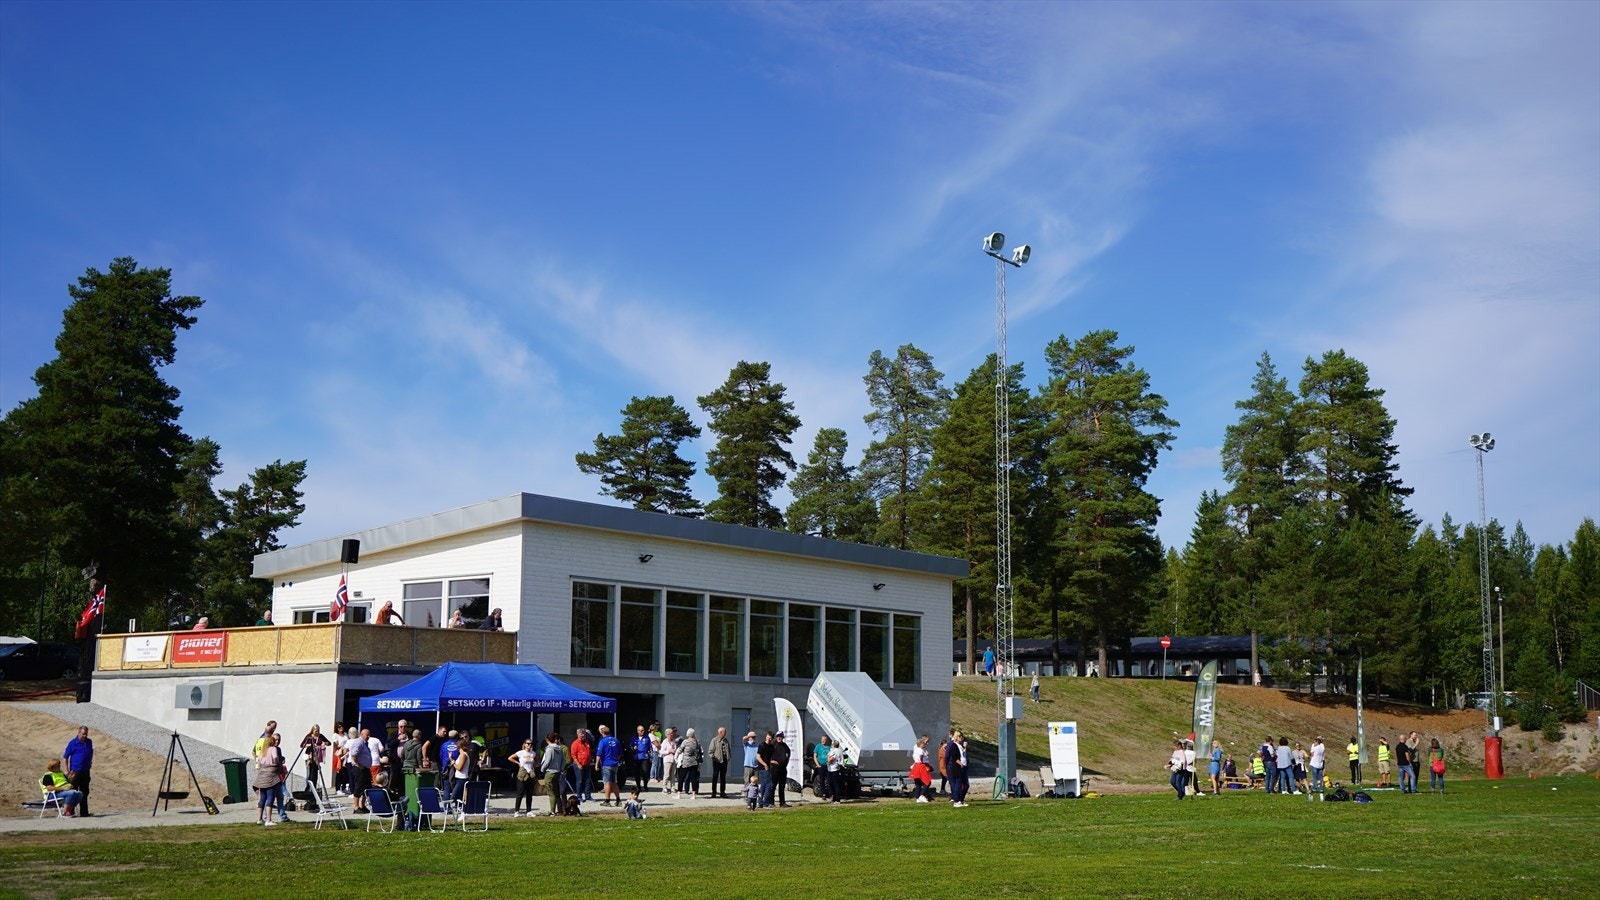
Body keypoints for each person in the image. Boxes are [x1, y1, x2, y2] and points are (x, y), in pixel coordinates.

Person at [256, 733, 290, 825]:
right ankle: (268, 819)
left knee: (265, 798)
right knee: (270, 797)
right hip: (272, 776)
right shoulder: (273, 749)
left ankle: (260, 819)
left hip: (263, 776)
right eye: (275, 740)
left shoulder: (263, 751)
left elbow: (258, 764)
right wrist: (278, 764)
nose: (277, 741)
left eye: (279, 740)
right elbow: (275, 759)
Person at [61, 726, 94, 817]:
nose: (85, 736)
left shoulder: (89, 742)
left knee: (85, 792)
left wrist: (90, 761)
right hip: (75, 771)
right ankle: (70, 811)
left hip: (85, 771)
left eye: (86, 734)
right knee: (74, 792)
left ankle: (84, 812)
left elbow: (91, 751)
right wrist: (66, 770)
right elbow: (65, 757)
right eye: (83, 734)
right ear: (79, 733)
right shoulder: (73, 743)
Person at [509, 738, 540, 817]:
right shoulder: (521, 753)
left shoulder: (533, 753)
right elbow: (510, 758)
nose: (529, 745)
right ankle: (516, 811)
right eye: (528, 743)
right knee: (520, 793)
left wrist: (534, 765)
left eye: (531, 744)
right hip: (522, 774)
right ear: (524, 744)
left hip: (530, 774)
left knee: (529, 794)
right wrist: (518, 763)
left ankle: (529, 811)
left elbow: (537, 760)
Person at [596, 724, 622, 806]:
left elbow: (599, 754)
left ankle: (607, 800)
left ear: (602, 733)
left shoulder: (602, 741)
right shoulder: (616, 740)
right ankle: (618, 800)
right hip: (614, 764)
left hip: (606, 764)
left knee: (607, 782)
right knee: (614, 782)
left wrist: (596, 764)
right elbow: (620, 754)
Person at [540, 732, 565, 816]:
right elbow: (564, 761)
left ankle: (552, 811)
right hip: (557, 772)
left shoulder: (549, 749)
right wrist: (560, 769)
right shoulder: (560, 748)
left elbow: (547, 761)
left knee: (551, 793)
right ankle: (558, 809)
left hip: (550, 772)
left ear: (547, 740)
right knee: (556, 791)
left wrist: (542, 769)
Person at [300, 724, 330, 793]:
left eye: (318, 731)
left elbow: (329, 743)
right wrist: (310, 745)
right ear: (312, 731)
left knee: (315, 772)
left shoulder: (320, 736)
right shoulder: (309, 736)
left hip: (317, 757)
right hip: (309, 756)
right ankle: (308, 788)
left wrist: (324, 743)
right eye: (316, 731)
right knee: (309, 773)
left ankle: (314, 788)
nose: (317, 732)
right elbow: (302, 745)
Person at [945, 729, 969, 807]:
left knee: (966, 785)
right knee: (957, 784)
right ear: (957, 737)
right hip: (958, 767)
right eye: (960, 737)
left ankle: (961, 799)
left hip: (964, 766)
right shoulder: (954, 745)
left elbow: (963, 755)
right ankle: (956, 800)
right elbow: (954, 757)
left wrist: (965, 748)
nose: (962, 738)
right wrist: (960, 763)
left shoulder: (961, 746)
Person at [707, 726, 732, 799]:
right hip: (717, 761)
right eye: (724, 732)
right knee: (715, 777)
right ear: (720, 732)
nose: (726, 733)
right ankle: (714, 792)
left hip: (724, 761)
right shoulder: (714, 740)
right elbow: (710, 751)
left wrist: (728, 757)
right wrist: (713, 758)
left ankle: (722, 792)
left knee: (723, 777)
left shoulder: (726, 741)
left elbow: (728, 750)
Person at [570, 728, 594, 803]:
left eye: (584, 734)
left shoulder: (587, 742)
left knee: (587, 780)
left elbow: (589, 752)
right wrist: (578, 764)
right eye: (581, 734)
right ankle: (579, 796)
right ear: (578, 735)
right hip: (579, 765)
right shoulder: (575, 743)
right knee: (579, 781)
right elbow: (573, 755)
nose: (583, 735)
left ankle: (588, 796)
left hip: (587, 764)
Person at [678, 728, 703, 797]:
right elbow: (700, 750)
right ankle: (694, 794)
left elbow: (680, 750)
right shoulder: (697, 742)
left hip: (686, 762)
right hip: (694, 761)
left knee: (681, 777)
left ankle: (679, 794)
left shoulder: (685, 742)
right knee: (693, 778)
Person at [770, 732, 793, 807]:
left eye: (781, 737)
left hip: (783, 769)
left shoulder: (785, 746)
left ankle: (782, 802)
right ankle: (771, 802)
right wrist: (771, 761)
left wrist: (786, 762)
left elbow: (788, 754)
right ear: (776, 737)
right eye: (778, 736)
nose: (779, 738)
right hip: (775, 769)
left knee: (782, 786)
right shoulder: (773, 745)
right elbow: (767, 754)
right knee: (773, 786)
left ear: (783, 738)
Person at [910, 735, 933, 803]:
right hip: (921, 766)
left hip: (917, 766)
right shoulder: (920, 749)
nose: (925, 744)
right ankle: (922, 795)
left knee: (918, 783)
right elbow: (921, 758)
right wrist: (923, 761)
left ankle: (918, 797)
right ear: (921, 743)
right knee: (927, 781)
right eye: (924, 742)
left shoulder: (918, 749)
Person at [631, 725, 653, 794]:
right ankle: (638, 786)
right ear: (637, 731)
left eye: (643, 730)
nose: (642, 732)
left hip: (645, 757)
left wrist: (651, 757)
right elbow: (630, 746)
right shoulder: (634, 738)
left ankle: (645, 785)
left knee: (645, 772)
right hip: (636, 757)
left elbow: (650, 748)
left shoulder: (647, 738)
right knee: (637, 773)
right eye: (640, 730)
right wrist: (633, 748)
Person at [660, 727, 679, 796]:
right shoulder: (664, 742)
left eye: (672, 734)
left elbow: (676, 749)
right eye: (670, 734)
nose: (672, 735)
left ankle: (672, 787)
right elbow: (661, 752)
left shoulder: (674, 741)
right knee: (667, 774)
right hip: (667, 760)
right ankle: (664, 787)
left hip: (673, 759)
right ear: (667, 734)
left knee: (673, 775)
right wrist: (668, 751)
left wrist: (675, 751)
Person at [813, 735, 833, 801]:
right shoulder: (818, 746)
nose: (823, 740)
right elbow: (815, 756)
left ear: (827, 740)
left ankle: (830, 794)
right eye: (822, 739)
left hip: (828, 766)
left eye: (824, 739)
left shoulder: (830, 748)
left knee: (829, 780)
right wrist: (818, 765)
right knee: (822, 780)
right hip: (821, 766)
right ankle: (823, 794)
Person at [826, 739, 845, 804]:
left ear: (833, 744)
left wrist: (828, 759)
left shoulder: (834, 751)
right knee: (836, 784)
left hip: (833, 769)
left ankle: (836, 799)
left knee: (833, 785)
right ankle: (835, 799)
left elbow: (830, 759)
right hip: (837, 768)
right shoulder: (840, 751)